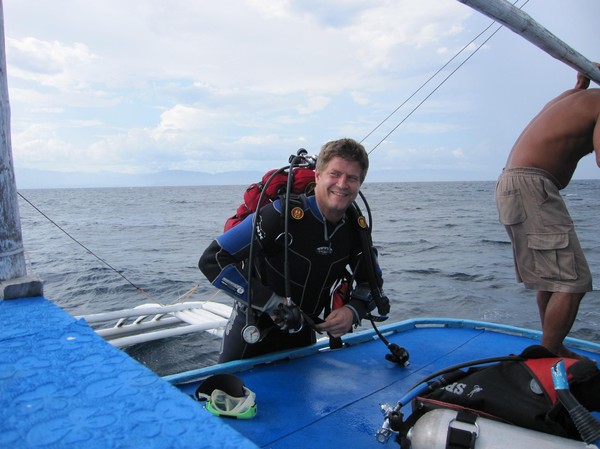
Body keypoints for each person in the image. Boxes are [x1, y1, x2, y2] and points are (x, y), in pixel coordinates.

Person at [199, 138, 385, 362]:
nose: (342, 184)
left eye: (352, 178)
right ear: (318, 175)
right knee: (226, 396)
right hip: (251, 332)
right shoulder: (280, 215)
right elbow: (213, 259)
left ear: (360, 183)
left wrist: (352, 311)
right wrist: (272, 304)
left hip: (303, 335)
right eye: (334, 174)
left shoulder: (355, 229)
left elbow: (372, 285)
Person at [495, 67, 600, 359]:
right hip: (532, 186)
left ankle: (550, 346)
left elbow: (561, 105)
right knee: (573, 282)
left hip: (510, 183)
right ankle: (548, 353)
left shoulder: (571, 98)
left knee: (550, 278)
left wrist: (580, 83)